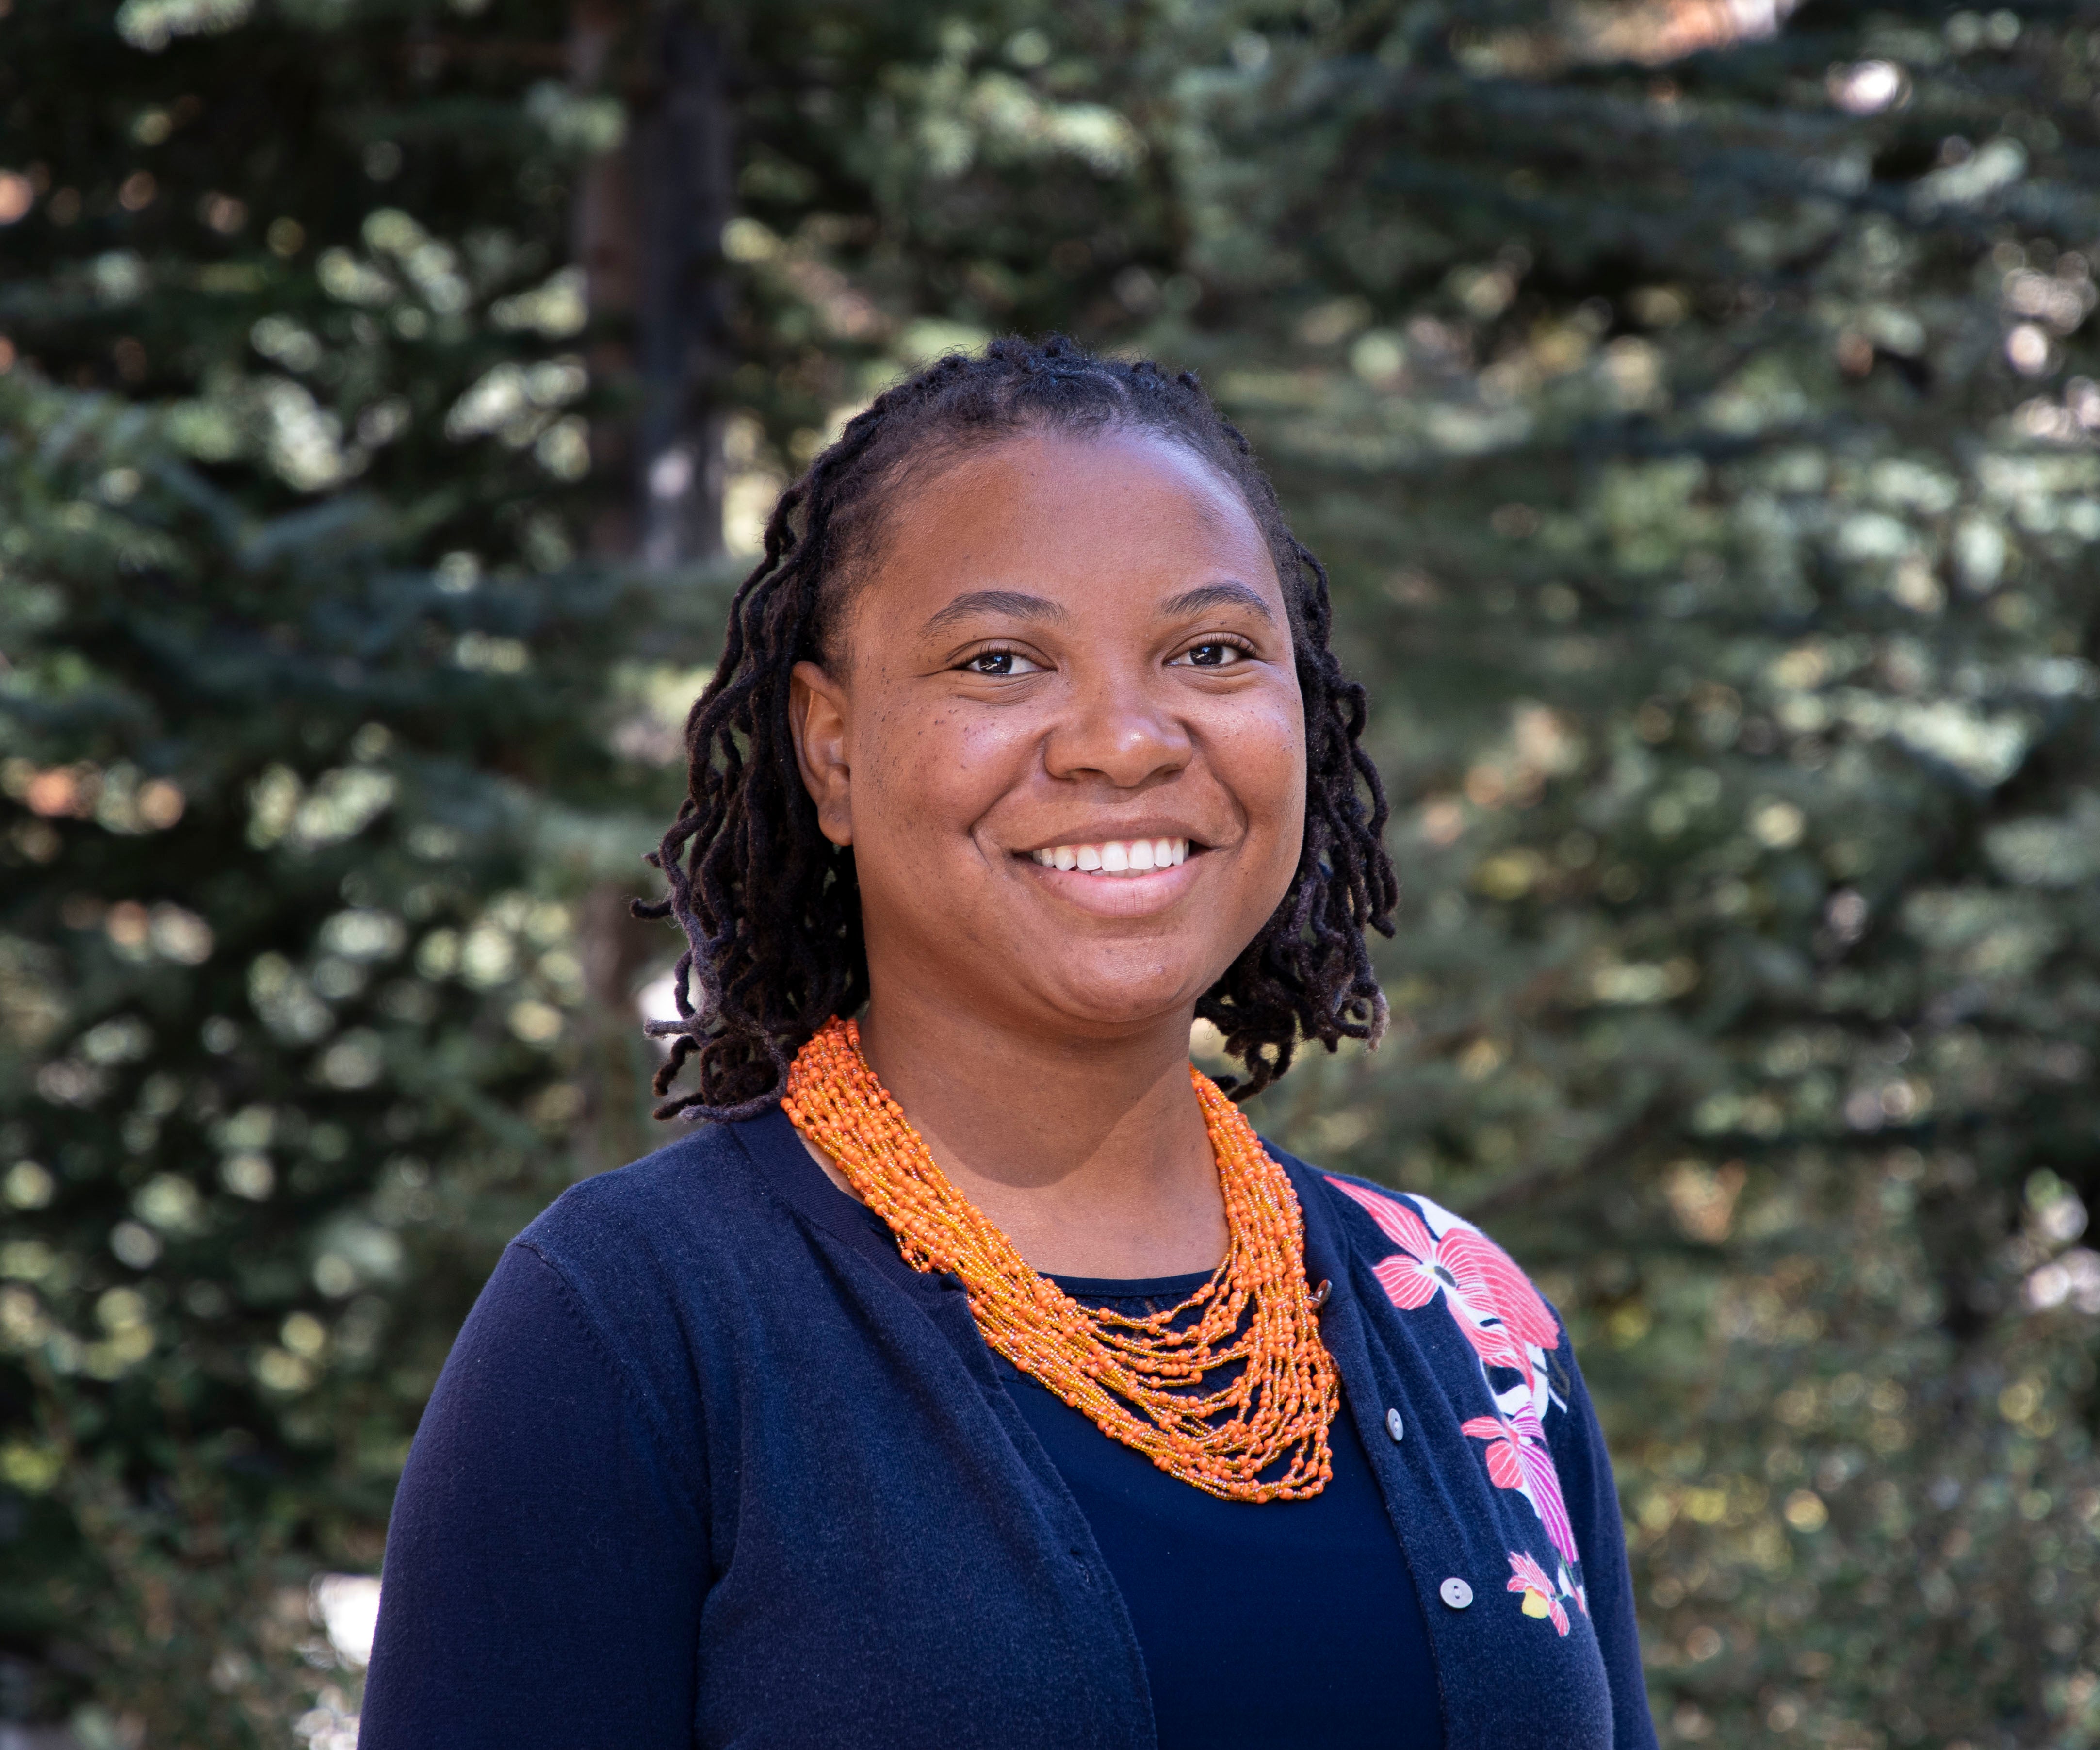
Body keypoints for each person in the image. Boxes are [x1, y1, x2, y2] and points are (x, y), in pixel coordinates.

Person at [358, 335, 1657, 1749]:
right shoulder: (633, 1325)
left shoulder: (1468, 1319)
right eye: (999, 660)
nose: (1121, 741)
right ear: (832, 746)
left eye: (1211, 652)